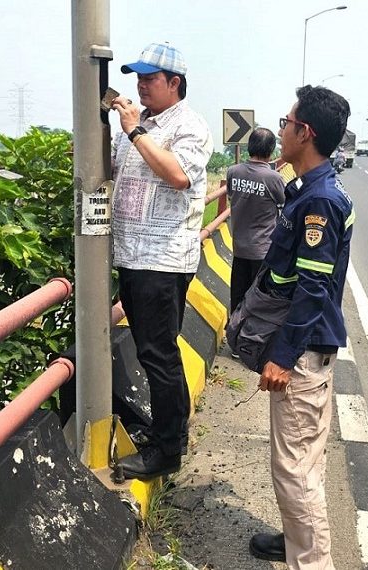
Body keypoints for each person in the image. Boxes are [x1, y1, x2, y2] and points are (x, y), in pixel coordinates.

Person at [248, 85, 353, 569]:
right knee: (301, 463)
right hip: (309, 347)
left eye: (286, 123)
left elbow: (312, 288)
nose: (281, 129)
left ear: (304, 133)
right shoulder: (307, 190)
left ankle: (310, 562)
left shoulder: (320, 202)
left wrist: (281, 357)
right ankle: (296, 543)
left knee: (296, 472)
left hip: (304, 353)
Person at [110, 42, 213, 479]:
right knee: (152, 351)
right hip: (133, 256)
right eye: (139, 78)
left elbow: (177, 175)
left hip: (162, 260)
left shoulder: (188, 127)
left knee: (160, 355)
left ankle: (168, 449)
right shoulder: (142, 124)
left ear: (175, 83)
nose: (141, 85)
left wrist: (135, 131)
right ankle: (162, 435)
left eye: (150, 79)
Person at [225, 127, 285, 317]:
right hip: (263, 250)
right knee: (260, 298)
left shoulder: (232, 172)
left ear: (249, 147)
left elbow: (230, 197)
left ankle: (236, 336)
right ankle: (253, 340)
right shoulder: (274, 178)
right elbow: (284, 205)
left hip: (239, 247)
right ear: (271, 150)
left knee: (238, 296)